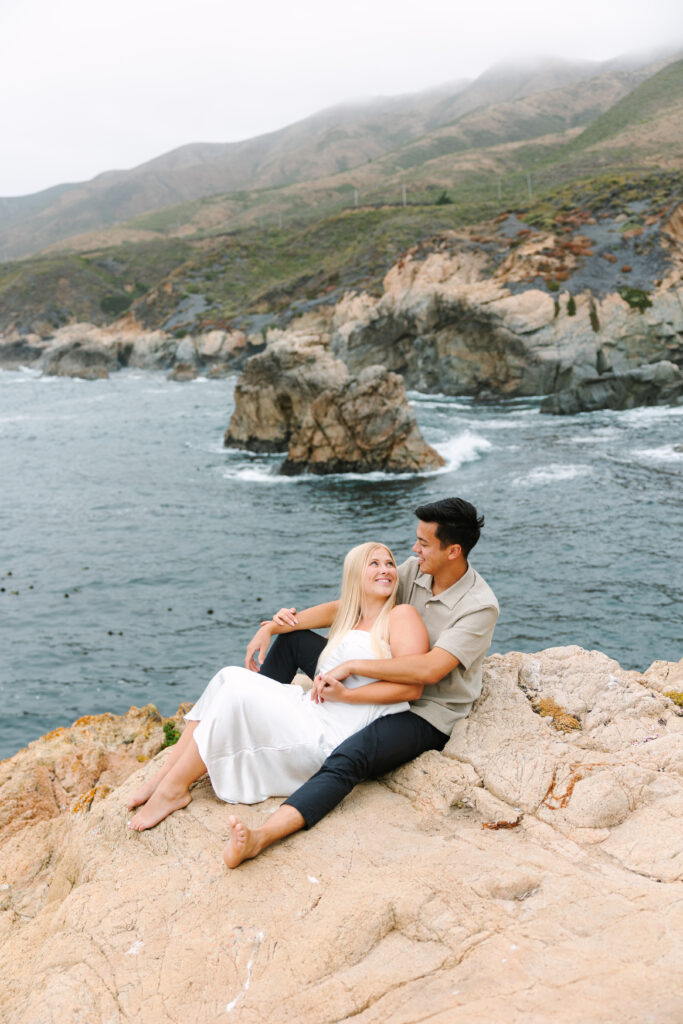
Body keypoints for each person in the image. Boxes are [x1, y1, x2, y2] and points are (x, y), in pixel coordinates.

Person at [225, 496, 498, 868]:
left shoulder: (479, 606)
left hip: (427, 710)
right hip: (380, 680)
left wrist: (354, 666)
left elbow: (429, 671)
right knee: (293, 642)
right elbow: (350, 605)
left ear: (453, 551)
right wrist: (275, 626)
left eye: (423, 543)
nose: (413, 548)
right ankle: (251, 724)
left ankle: (262, 836)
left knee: (350, 757)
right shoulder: (416, 570)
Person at [126, 542, 429, 832]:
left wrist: (348, 695)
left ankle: (173, 789)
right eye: (374, 564)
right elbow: (293, 623)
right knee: (227, 677)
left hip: (334, 731)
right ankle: (166, 772)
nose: (386, 570)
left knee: (235, 697)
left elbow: (411, 688)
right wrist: (270, 628)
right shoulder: (349, 612)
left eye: (389, 563)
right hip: (312, 708)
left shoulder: (401, 616)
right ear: (355, 575)